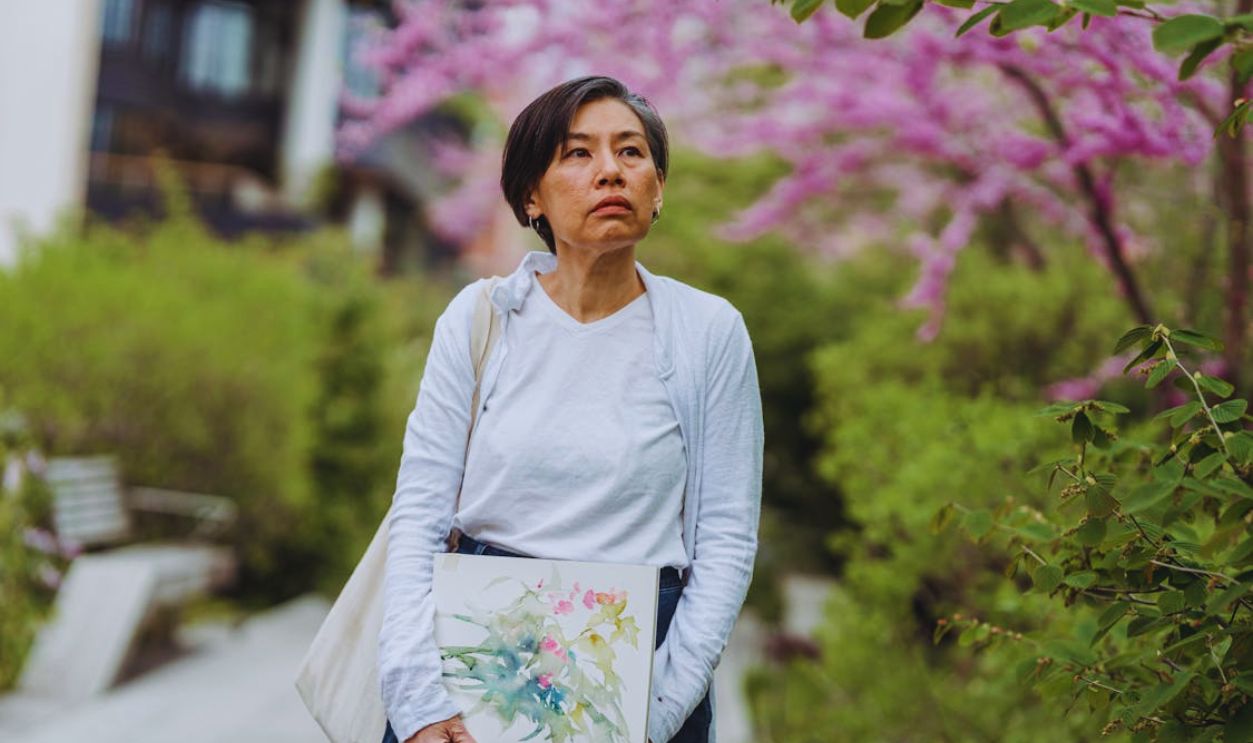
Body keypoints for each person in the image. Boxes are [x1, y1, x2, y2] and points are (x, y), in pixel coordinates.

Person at [378, 75, 763, 743]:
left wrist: (656, 713)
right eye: (578, 153)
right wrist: (417, 700)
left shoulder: (708, 331)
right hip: (473, 657)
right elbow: (418, 515)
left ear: (658, 187)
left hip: (640, 659)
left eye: (631, 152)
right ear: (531, 195)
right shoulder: (480, 318)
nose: (609, 170)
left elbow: (725, 540)